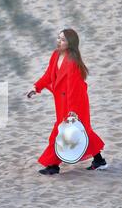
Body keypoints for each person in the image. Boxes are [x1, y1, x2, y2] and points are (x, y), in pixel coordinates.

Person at [26, 29, 107, 175]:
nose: (59, 41)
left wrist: (72, 112)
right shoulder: (56, 55)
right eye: (58, 38)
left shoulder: (72, 62)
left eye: (63, 40)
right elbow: (48, 75)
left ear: (70, 44)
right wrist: (36, 87)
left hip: (74, 103)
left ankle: (53, 166)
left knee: (60, 132)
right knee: (84, 131)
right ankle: (99, 160)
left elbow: (73, 89)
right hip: (62, 101)